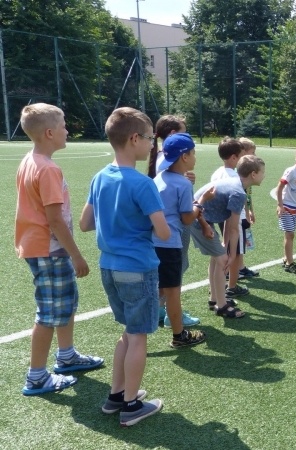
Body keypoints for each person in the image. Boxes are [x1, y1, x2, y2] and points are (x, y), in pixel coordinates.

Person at [79, 107, 168, 426]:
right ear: (134, 139)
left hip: (109, 268)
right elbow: (163, 231)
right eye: (149, 138)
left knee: (128, 333)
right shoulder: (143, 184)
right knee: (139, 336)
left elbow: (85, 223)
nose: (151, 145)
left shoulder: (100, 176)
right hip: (138, 268)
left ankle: (116, 395)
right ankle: (131, 406)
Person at [16, 103, 104, 396]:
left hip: (41, 248)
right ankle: (37, 377)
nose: (68, 130)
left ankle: (66, 356)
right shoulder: (48, 169)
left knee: (64, 304)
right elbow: (54, 219)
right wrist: (76, 254)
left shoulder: (30, 160)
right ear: (50, 132)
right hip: (49, 250)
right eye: (65, 125)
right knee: (49, 313)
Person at [189, 155, 266, 318]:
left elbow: (227, 222)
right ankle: (221, 306)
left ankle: (215, 299)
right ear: (253, 174)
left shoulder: (236, 185)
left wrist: (225, 244)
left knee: (217, 257)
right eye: (262, 172)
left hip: (200, 217)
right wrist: (231, 254)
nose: (264, 176)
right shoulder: (239, 193)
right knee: (223, 260)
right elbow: (233, 229)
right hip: (197, 220)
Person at [153, 133, 210, 347]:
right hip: (170, 244)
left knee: (155, 288)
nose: (195, 157)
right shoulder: (183, 184)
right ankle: (179, 335)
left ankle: (140, 330)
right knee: (173, 292)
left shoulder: (158, 177)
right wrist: (201, 202)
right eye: (193, 153)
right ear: (184, 156)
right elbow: (187, 218)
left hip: (153, 242)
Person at [210, 138, 249, 298]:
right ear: (234, 157)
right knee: (236, 252)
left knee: (224, 249)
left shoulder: (217, 172)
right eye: (241, 156)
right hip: (234, 219)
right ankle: (231, 286)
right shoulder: (234, 176)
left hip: (221, 216)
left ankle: (219, 285)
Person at [237, 137, 260, 279]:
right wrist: (245, 211)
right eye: (252, 152)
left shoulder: (248, 172)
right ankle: (234, 270)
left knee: (241, 241)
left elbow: (248, 196)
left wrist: (251, 210)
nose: (255, 156)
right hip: (238, 214)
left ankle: (240, 267)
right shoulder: (239, 174)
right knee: (237, 242)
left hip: (244, 211)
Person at [147, 115, 187, 179]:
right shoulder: (167, 159)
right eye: (183, 133)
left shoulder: (162, 155)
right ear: (173, 133)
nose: (186, 137)